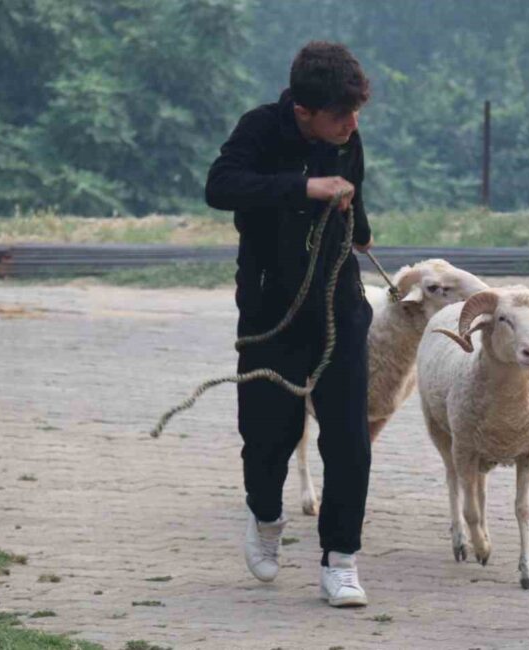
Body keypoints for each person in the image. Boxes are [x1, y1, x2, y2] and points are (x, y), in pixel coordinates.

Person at [204, 41, 374, 608]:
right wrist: (302, 188)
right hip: (271, 311)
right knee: (267, 435)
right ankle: (266, 515)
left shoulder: (347, 140)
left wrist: (358, 221)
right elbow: (220, 186)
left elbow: (359, 212)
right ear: (304, 111)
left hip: (338, 307)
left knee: (349, 436)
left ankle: (341, 559)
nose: (351, 125)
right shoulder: (259, 129)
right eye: (340, 115)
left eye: (356, 113)